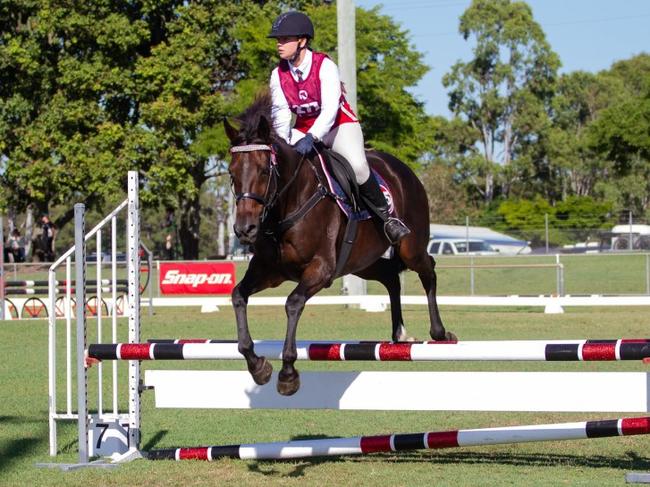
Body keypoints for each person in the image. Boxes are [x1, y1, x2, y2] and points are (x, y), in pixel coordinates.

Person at [267, 11, 410, 244]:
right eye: (278, 40)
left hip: (338, 126)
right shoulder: (277, 75)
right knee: (276, 161)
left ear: (302, 41)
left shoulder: (324, 66)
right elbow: (282, 113)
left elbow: (330, 109)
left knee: (358, 166)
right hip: (303, 128)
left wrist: (312, 137)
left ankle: (388, 219)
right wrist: (283, 143)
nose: (279, 44)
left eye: (285, 39)